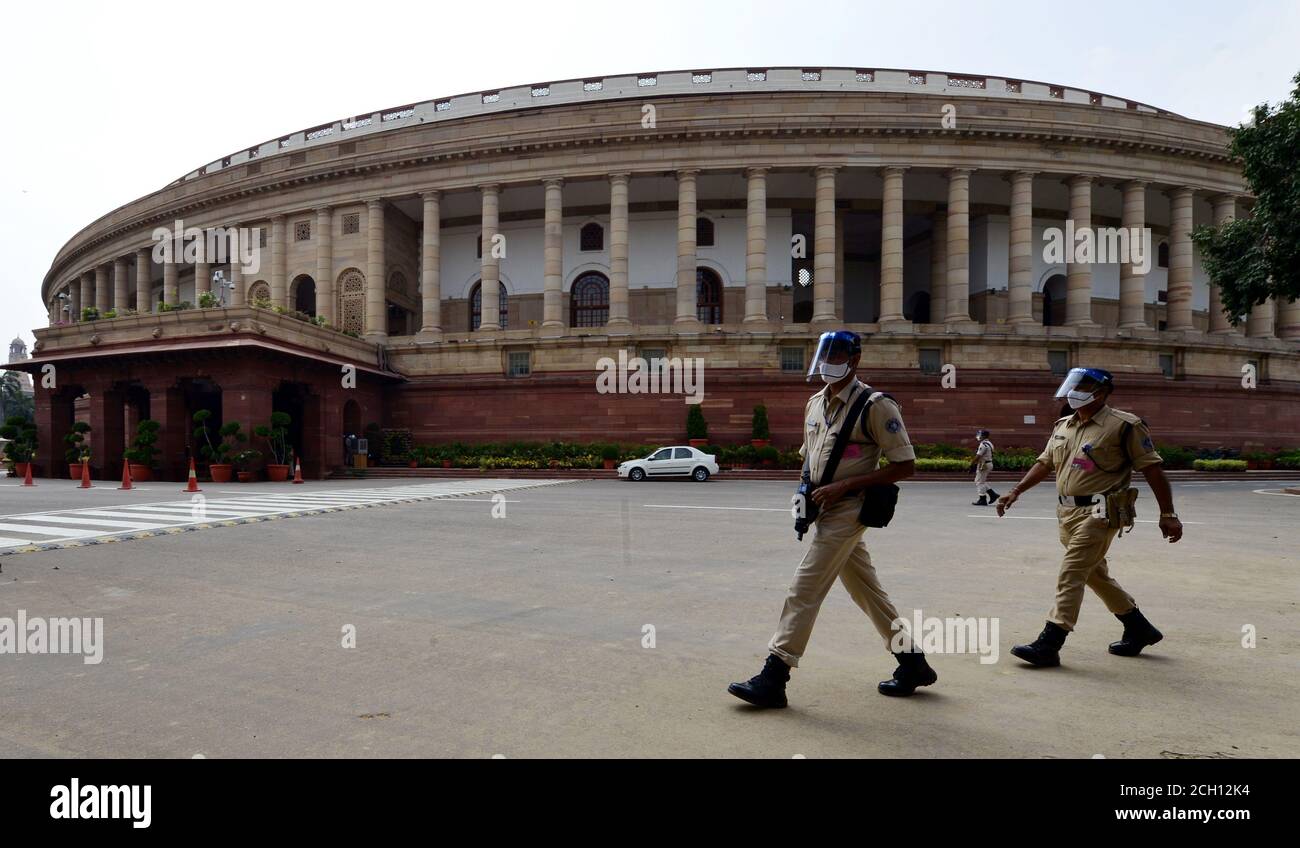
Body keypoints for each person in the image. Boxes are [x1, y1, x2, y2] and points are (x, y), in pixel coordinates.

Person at [728, 330, 936, 708]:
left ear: (854, 360)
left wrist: (846, 486)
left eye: (837, 353)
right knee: (867, 591)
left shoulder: (875, 405)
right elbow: (809, 458)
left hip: (851, 506)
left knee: (804, 587)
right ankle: (912, 662)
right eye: (824, 352)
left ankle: (775, 675)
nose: (828, 360)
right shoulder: (814, 404)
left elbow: (905, 465)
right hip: (824, 506)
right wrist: (802, 497)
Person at [996, 368, 1183, 667]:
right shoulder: (1064, 425)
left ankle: (1050, 642)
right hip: (1067, 512)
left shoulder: (1125, 426)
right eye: (1073, 385)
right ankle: (1139, 628)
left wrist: (1168, 513)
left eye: (1082, 386)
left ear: (1101, 392)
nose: (1073, 391)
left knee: (1071, 572)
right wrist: (1016, 491)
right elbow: (1045, 463)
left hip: (1102, 510)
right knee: (1095, 574)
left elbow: (1152, 469)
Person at [971, 429, 999, 506]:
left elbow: (978, 456)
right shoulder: (989, 443)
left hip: (984, 464)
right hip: (988, 463)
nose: (978, 436)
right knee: (980, 481)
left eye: (980, 435)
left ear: (983, 436)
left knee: (980, 482)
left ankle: (982, 499)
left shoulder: (983, 444)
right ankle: (993, 494)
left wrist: (972, 464)